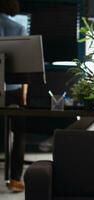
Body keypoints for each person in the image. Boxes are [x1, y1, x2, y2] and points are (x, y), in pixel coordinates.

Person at [0, 0, 27, 192]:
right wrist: (24, 93)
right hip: (13, 89)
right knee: (19, 131)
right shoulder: (18, 28)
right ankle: (16, 179)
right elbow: (26, 65)